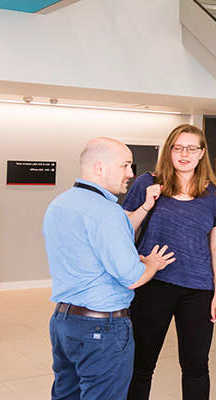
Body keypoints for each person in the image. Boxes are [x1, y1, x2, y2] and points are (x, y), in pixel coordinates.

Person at [44, 137, 176, 399]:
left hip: (64, 324)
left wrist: (145, 207)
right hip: (101, 329)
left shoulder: (59, 204)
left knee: (66, 394)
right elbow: (132, 278)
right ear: (100, 168)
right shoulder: (107, 213)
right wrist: (152, 263)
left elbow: (94, 248)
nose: (131, 174)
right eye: (125, 166)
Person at [122, 125, 216, 400]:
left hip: (198, 289)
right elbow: (120, 231)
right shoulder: (147, 183)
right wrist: (145, 207)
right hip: (153, 284)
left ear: (201, 153)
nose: (184, 154)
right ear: (169, 150)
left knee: (196, 367)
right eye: (178, 147)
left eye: (191, 148)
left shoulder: (215, 194)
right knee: (141, 365)